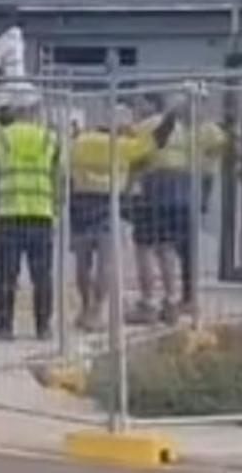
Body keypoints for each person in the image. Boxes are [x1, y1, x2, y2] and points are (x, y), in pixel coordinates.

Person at [67, 105, 172, 331]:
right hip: (107, 204)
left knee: (82, 262)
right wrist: (170, 116)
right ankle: (96, 311)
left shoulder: (81, 141)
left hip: (80, 203)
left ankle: (85, 307)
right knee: (106, 262)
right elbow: (152, 144)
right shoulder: (122, 147)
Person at [126, 93, 226, 325]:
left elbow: (134, 156)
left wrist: (128, 190)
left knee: (144, 248)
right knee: (167, 248)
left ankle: (148, 303)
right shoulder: (186, 130)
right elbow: (207, 155)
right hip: (182, 190)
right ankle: (171, 302)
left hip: (155, 188)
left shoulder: (148, 126)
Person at [0, 84, 59, 341]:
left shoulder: (1, 137)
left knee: (7, 272)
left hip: (10, 214)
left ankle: (5, 326)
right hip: (42, 214)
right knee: (42, 274)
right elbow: (57, 174)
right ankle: (43, 327)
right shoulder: (49, 137)